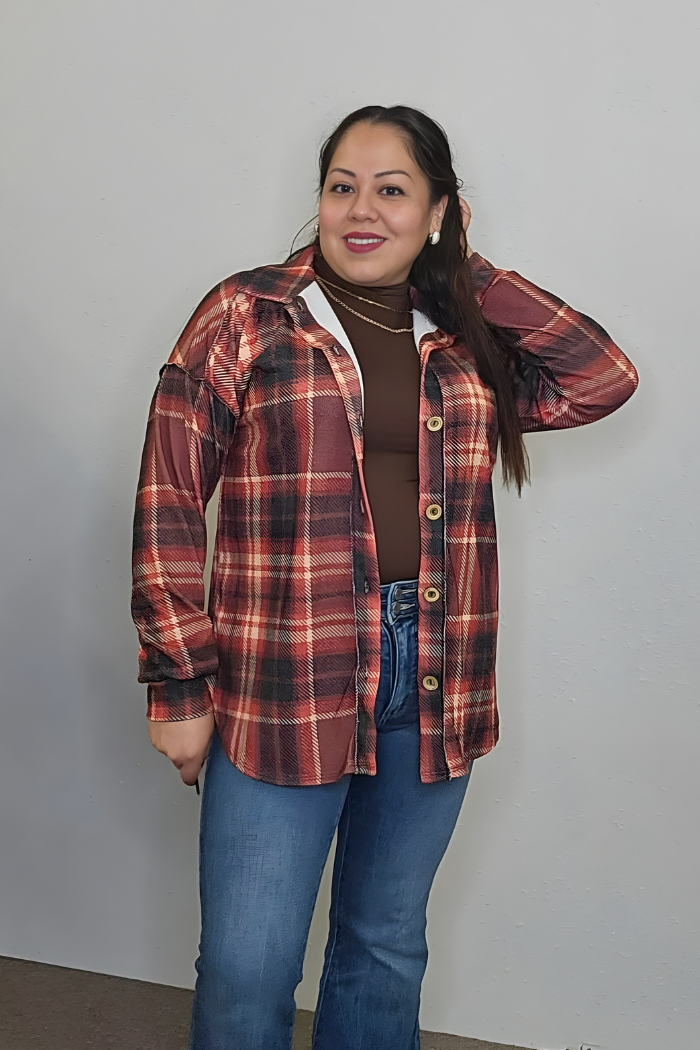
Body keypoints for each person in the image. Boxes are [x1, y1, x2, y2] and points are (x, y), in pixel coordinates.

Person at [131, 105, 639, 1050]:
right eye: (342, 187)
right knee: (250, 962)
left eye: (393, 190)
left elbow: (598, 376)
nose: (361, 209)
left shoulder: (458, 332)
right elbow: (168, 497)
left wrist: (462, 273)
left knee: (384, 944)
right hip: (285, 670)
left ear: (442, 209)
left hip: (438, 668)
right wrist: (178, 681)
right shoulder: (248, 315)